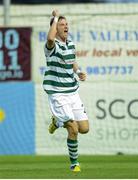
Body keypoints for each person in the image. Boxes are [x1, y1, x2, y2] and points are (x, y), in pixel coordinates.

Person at [43, 9, 89, 172]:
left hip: (72, 92)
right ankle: (74, 163)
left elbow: (72, 60)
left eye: (66, 24)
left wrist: (78, 71)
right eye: (61, 24)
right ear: (55, 28)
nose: (65, 26)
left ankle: (58, 121)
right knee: (73, 129)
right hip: (58, 94)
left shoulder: (71, 44)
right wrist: (54, 18)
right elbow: (49, 37)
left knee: (84, 128)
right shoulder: (51, 46)